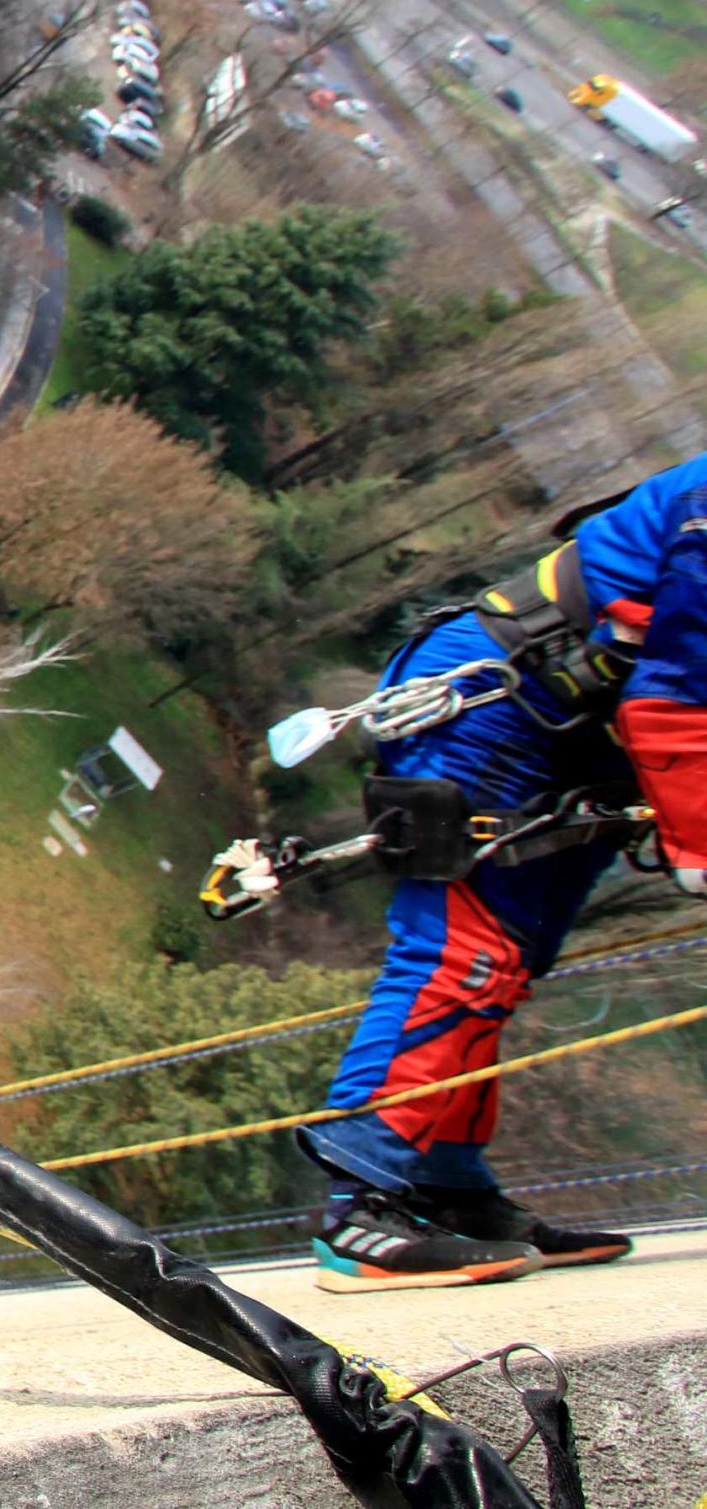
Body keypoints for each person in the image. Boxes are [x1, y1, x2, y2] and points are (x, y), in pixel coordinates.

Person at [284, 467, 707, 1292]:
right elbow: (676, 700)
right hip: (494, 710)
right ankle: (362, 1193)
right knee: (462, 955)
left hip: (567, 729)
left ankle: (443, 1187)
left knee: (503, 970)